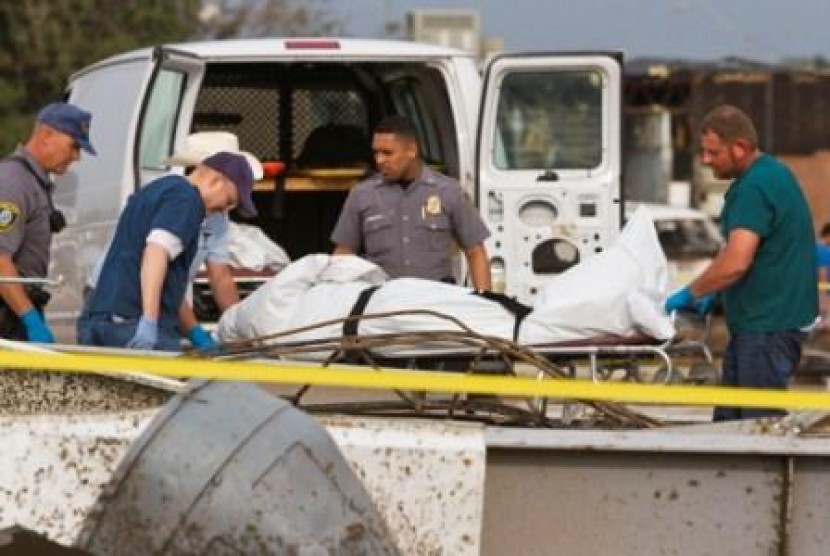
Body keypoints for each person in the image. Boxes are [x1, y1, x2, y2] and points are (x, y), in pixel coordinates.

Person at [664, 105, 818, 421]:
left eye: (713, 153)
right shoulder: (774, 173)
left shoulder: (753, 187)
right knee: (731, 431)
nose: (705, 161)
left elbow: (736, 261)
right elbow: (744, 252)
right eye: (703, 152)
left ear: (740, 148)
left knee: (757, 433)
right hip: (763, 326)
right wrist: (716, 292)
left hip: (765, 330)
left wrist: (690, 293)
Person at [78, 132, 263, 349]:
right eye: (228, 201)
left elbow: (171, 278)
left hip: (106, 317)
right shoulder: (187, 200)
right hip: (132, 319)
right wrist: (149, 321)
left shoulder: (161, 190)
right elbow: (156, 253)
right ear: (215, 179)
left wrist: (195, 331)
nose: (225, 210)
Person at [331, 115, 491, 290]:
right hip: (382, 304)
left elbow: (475, 252)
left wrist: (485, 301)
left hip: (436, 303)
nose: (379, 160)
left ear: (411, 150)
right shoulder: (362, 195)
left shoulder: (449, 191)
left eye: (387, 153)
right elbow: (344, 255)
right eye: (376, 152)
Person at [0, 102, 95, 342]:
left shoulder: (34, 182)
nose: (77, 157)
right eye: (73, 146)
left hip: (15, 310)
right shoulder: (13, 183)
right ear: (47, 135)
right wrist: (29, 318)